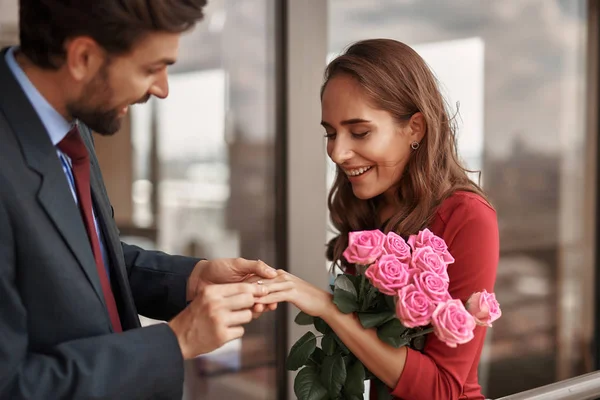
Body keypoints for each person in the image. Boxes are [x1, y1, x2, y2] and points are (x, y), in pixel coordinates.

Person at [0, 1, 287, 399]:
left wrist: (191, 279)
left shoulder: (71, 122)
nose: (162, 89)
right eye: (151, 68)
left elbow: (86, 259)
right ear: (83, 57)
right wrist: (176, 341)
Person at [254, 39, 499, 400]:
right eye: (331, 133)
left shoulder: (467, 218)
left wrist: (327, 307)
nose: (337, 152)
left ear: (414, 128)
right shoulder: (368, 208)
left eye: (360, 132)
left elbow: (443, 389)